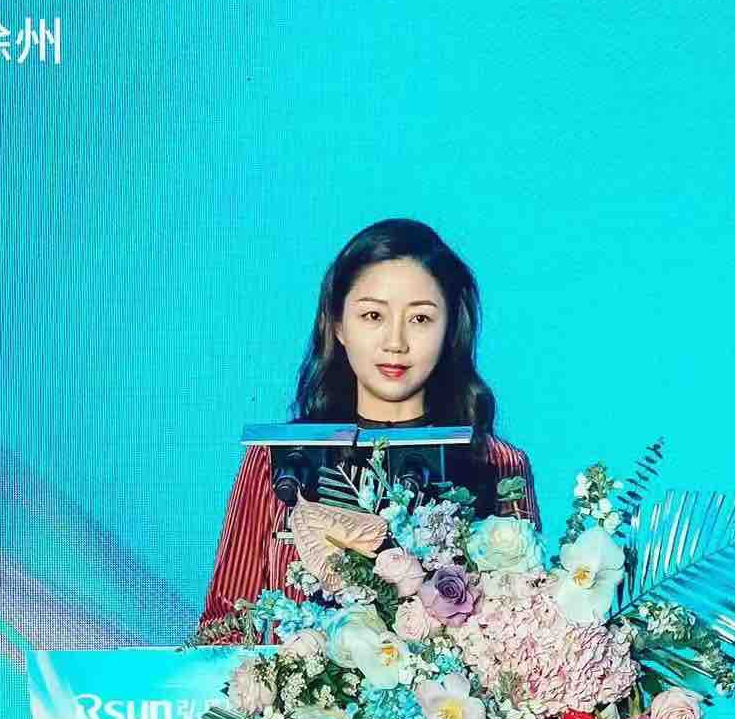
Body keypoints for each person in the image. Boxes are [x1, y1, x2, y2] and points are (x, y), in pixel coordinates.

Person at [195, 218, 542, 644]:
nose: (395, 342)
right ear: (338, 324)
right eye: (373, 315)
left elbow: (527, 630)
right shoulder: (278, 457)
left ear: (450, 328)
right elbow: (224, 628)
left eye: (420, 318)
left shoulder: (498, 463)